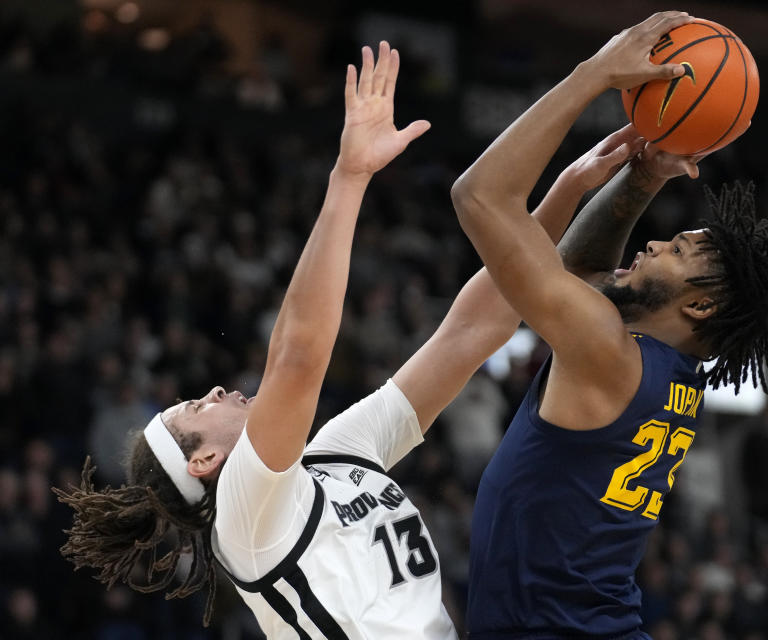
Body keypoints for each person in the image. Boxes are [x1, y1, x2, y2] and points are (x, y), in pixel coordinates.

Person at [52, 41, 671, 638]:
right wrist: (349, 177)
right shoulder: (244, 518)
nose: (213, 391)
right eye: (196, 407)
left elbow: (470, 333)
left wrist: (568, 189)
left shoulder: (337, 455)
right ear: (204, 462)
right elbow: (297, 356)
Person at [451, 11, 768, 638]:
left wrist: (592, 75)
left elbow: (478, 196)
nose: (653, 244)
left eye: (675, 252)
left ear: (700, 307)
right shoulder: (661, 373)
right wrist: (642, 174)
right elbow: (583, 273)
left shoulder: (608, 352)